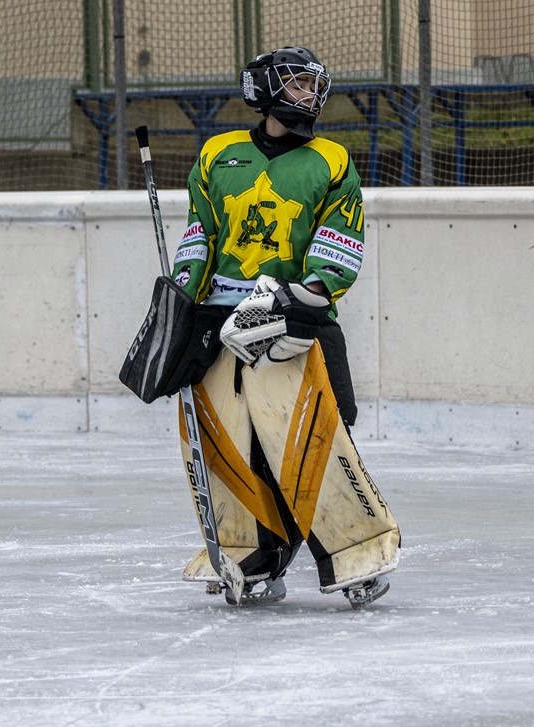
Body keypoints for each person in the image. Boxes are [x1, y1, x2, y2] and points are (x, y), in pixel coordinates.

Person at [166, 46, 398, 608]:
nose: (307, 95)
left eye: (311, 85)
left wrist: (305, 299)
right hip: (219, 326)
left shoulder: (332, 161)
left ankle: (357, 548)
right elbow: (201, 235)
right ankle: (249, 552)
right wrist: (178, 300)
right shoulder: (219, 154)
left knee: (315, 441)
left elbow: (339, 247)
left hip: (293, 323)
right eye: (294, 85)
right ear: (264, 90)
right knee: (227, 449)